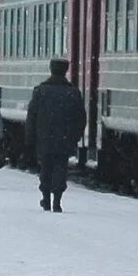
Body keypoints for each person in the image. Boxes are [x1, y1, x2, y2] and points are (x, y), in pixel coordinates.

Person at [25, 58, 87, 213]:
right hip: (64, 139)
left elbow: (32, 116)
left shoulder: (40, 90)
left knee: (46, 167)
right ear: (66, 71)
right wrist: (75, 136)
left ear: (51, 70)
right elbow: (81, 118)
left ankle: (46, 198)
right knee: (60, 168)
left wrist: (30, 137)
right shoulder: (73, 92)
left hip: (44, 137)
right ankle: (57, 201)